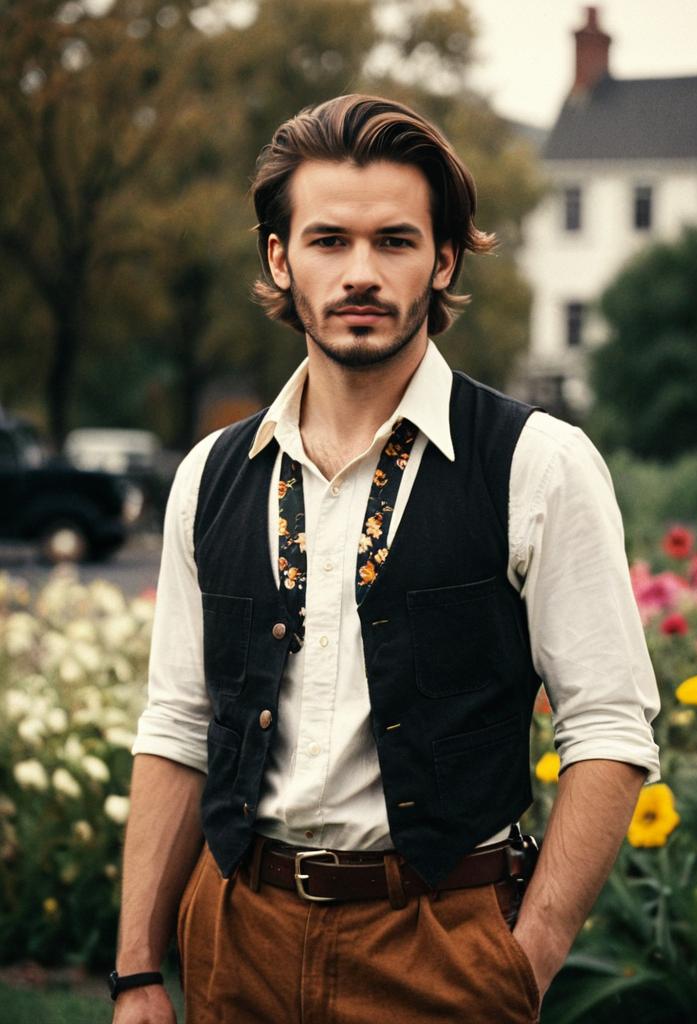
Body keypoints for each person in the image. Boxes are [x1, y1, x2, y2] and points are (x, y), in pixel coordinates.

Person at [111, 94, 660, 1024]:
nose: (360, 272)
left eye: (395, 242)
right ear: (280, 259)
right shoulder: (211, 474)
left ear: (442, 258)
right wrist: (135, 977)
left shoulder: (538, 462)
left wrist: (518, 965)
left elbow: (609, 730)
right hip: (237, 940)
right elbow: (177, 725)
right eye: (328, 240)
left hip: (440, 944)